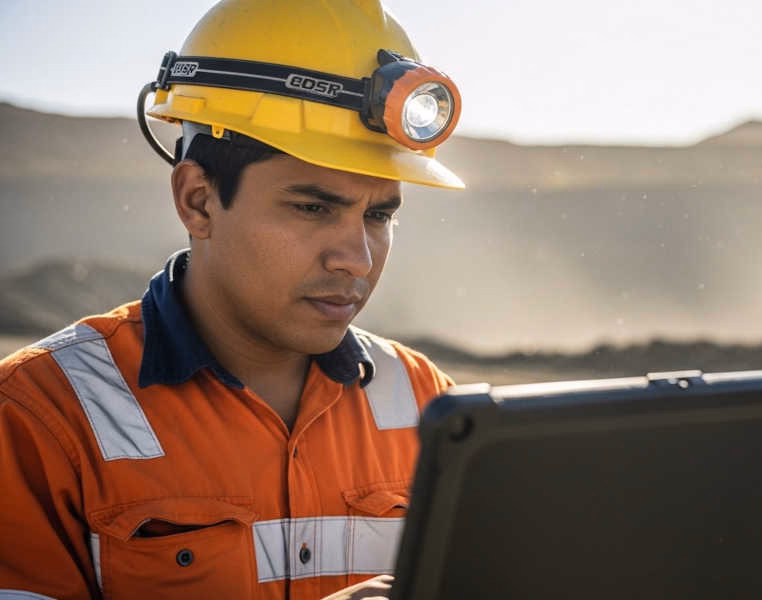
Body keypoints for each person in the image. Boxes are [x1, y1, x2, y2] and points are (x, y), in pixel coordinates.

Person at [0, 1, 465, 597]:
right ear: (197, 200)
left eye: (378, 215)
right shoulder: (41, 418)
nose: (357, 258)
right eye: (313, 207)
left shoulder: (435, 410)